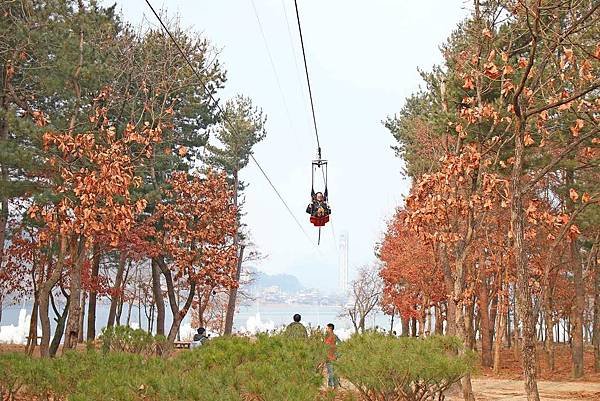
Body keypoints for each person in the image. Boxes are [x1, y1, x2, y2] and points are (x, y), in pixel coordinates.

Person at [324, 323, 340, 388]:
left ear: (330, 329)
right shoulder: (332, 336)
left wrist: (337, 355)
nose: (326, 329)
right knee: (332, 372)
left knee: (331, 372)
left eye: (327, 328)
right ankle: (335, 386)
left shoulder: (330, 337)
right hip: (330, 357)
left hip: (330, 357)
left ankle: (331, 387)